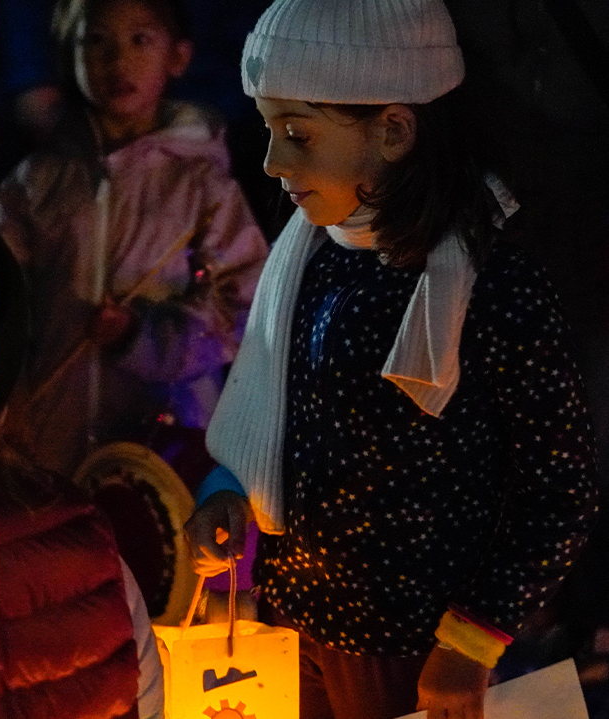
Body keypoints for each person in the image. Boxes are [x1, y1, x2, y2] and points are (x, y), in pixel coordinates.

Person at [182, 1, 600, 718]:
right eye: (269, 130)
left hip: (419, 654)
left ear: (396, 131)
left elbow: (558, 491)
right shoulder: (314, 254)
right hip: (296, 626)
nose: (273, 161)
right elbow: (286, 413)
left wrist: (468, 643)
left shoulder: (492, 286)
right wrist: (231, 485)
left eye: (298, 134)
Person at [0, 0, 269, 715]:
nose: (118, 59)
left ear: (178, 54)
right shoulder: (37, 182)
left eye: (139, 39)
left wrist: (145, 334)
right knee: (74, 629)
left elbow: (248, 305)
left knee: (172, 618)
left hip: (165, 459)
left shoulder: (201, 179)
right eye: (97, 42)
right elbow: (2, 308)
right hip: (54, 445)